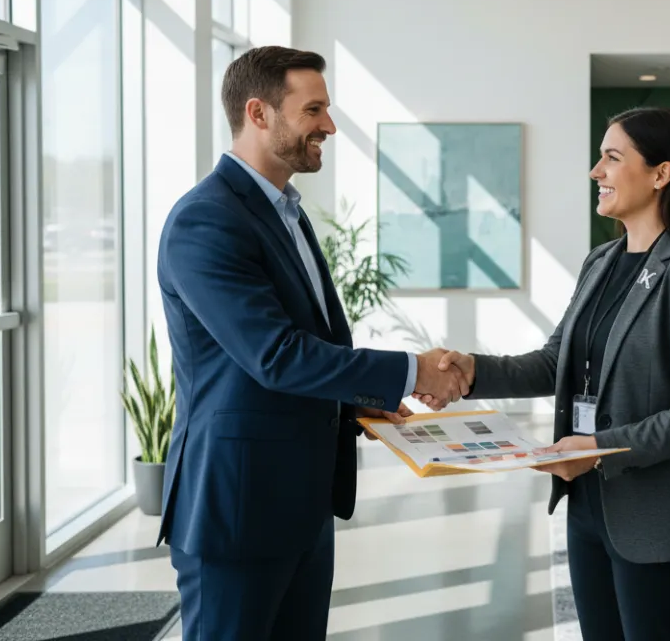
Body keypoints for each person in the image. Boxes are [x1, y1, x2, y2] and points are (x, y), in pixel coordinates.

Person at [155, 45, 469, 641]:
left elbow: (286, 350)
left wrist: (351, 401)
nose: (328, 125)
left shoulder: (287, 213)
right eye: (314, 109)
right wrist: (413, 372)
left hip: (299, 505)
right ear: (260, 113)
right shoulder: (206, 220)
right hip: (238, 508)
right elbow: (273, 354)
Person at [420, 106, 670, 641]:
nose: (597, 171)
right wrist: (472, 371)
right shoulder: (602, 261)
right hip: (591, 510)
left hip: (660, 521)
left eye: (612, 158)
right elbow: (555, 361)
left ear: (661, 174)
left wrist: (601, 446)